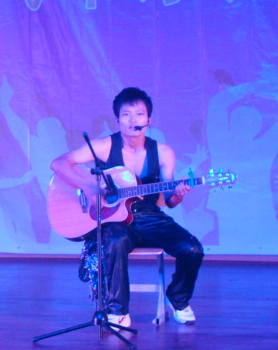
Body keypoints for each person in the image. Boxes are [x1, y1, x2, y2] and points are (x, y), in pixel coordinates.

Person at [50, 87, 204, 326]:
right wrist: (89, 188)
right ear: (118, 120)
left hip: (150, 217)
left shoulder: (163, 152)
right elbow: (59, 163)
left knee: (192, 249)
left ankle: (178, 299)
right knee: (115, 240)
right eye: (126, 114)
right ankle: (117, 310)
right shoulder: (104, 146)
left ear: (149, 120)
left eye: (140, 114)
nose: (133, 120)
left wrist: (179, 194)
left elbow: (169, 201)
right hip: (114, 219)